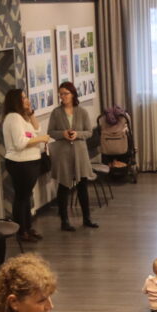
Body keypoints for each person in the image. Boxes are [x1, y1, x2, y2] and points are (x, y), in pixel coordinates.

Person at [1, 88, 51, 242]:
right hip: (20, 163)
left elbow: (37, 129)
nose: (27, 100)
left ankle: (28, 228)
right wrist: (41, 139)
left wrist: (31, 113)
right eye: (23, 98)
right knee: (21, 197)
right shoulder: (13, 117)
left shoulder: (22, 117)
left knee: (26, 196)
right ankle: (21, 231)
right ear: (16, 101)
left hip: (29, 161)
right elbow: (20, 143)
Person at [48, 81, 97, 231]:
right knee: (63, 186)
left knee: (82, 186)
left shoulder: (82, 112)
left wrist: (78, 134)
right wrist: (63, 134)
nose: (63, 96)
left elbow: (89, 132)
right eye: (61, 94)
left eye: (66, 93)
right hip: (63, 154)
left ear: (73, 94)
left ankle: (87, 218)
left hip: (80, 153)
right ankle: (64, 221)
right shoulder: (56, 113)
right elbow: (51, 132)